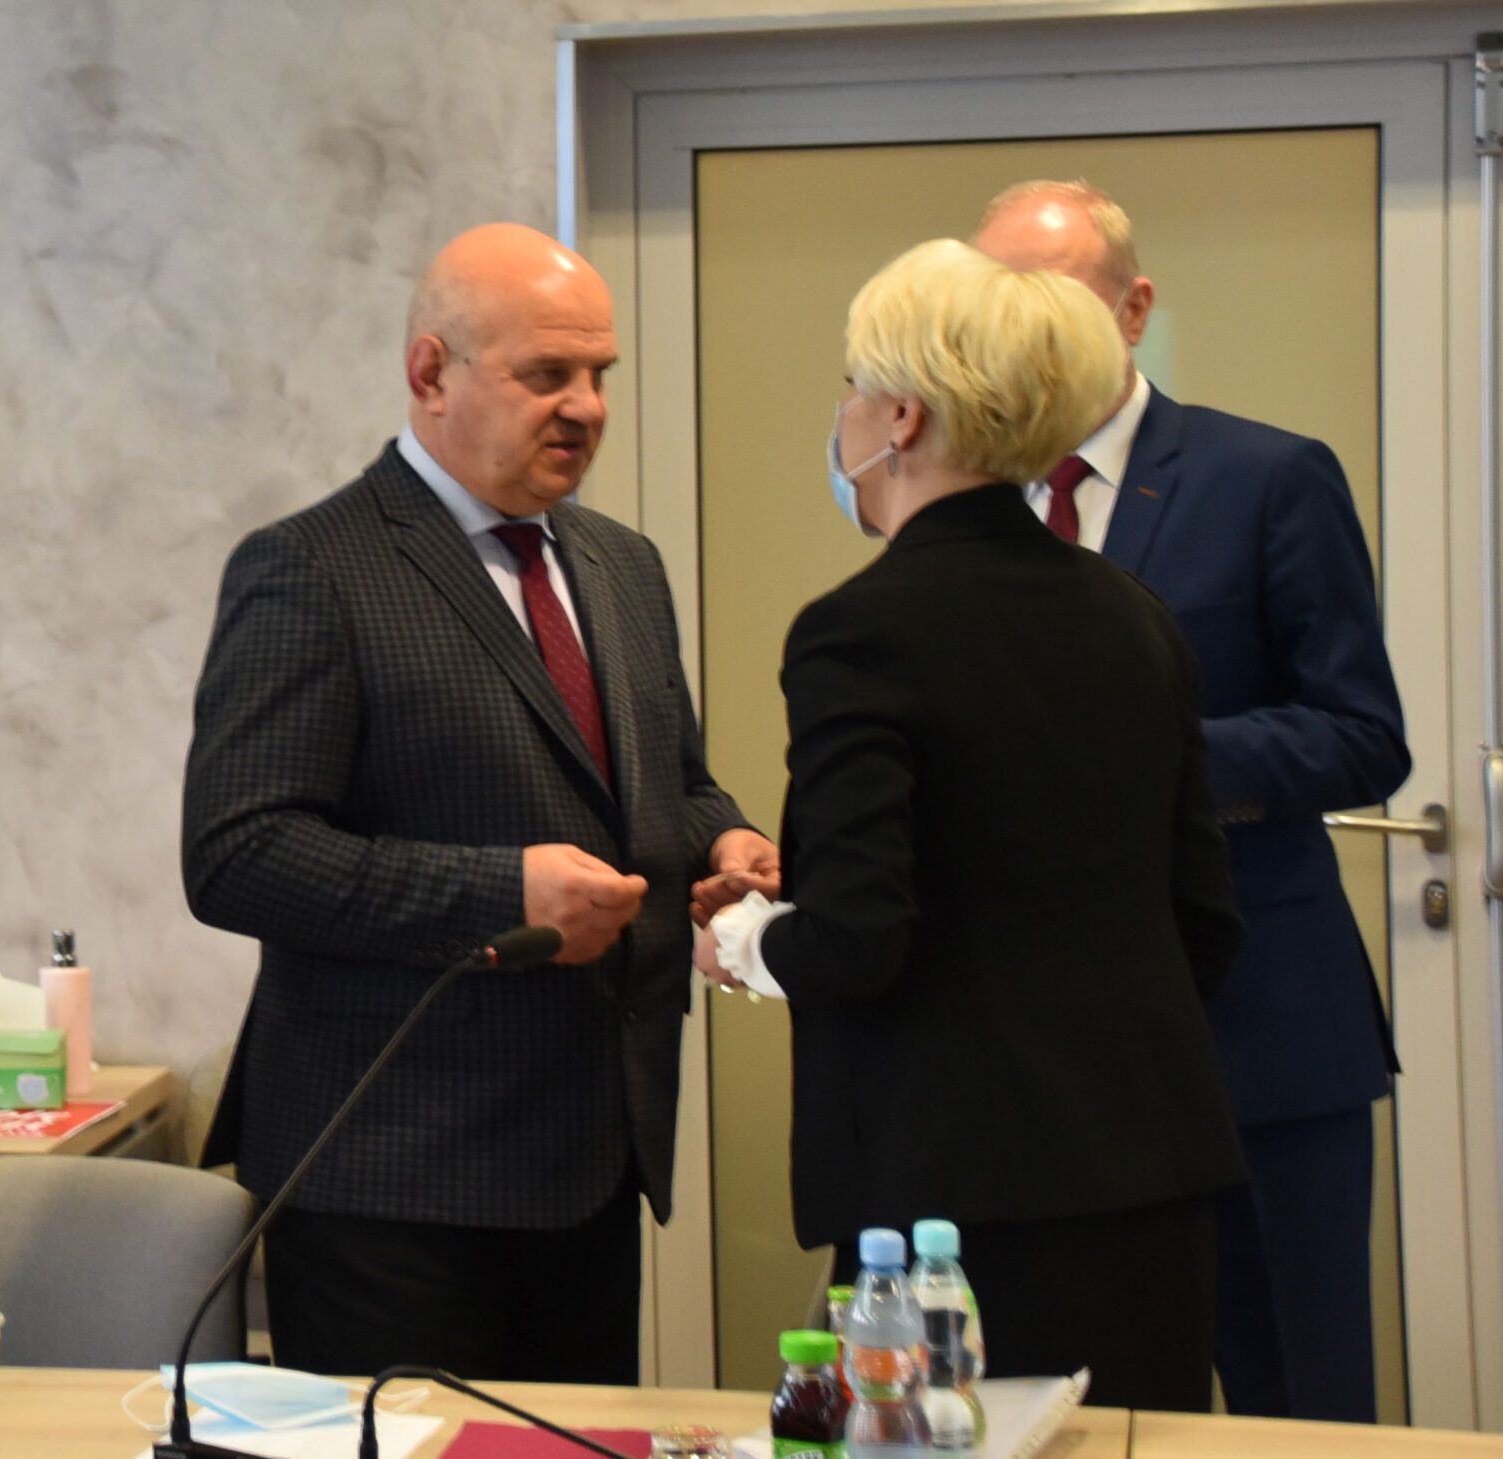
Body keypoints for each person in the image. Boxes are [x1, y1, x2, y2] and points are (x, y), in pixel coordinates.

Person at [181, 223, 777, 1385]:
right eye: (545, 374)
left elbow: (667, 778)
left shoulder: (622, 565)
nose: (585, 406)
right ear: (430, 373)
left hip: (591, 1161)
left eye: (598, 373)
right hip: (390, 1183)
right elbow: (238, 852)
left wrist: (726, 835)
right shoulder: (312, 567)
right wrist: (500, 893)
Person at [694, 238, 1246, 1412]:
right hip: (1149, 1174)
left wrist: (740, 940)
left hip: (951, 1204)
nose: (841, 415)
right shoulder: (1135, 614)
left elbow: (857, 938)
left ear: (899, 415)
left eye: (850, 386)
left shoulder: (859, 628)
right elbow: (1201, 921)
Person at [973, 180, 1408, 1423]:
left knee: (1299, 1406)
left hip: (1259, 1037)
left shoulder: (1265, 476)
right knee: (1083, 1409)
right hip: (1051, 1061)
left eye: (1055, 299)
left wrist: (1149, 764)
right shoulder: (967, 499)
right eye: (998, 304)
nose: (1024, 333)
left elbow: (1361, 737)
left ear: (1133, 308)